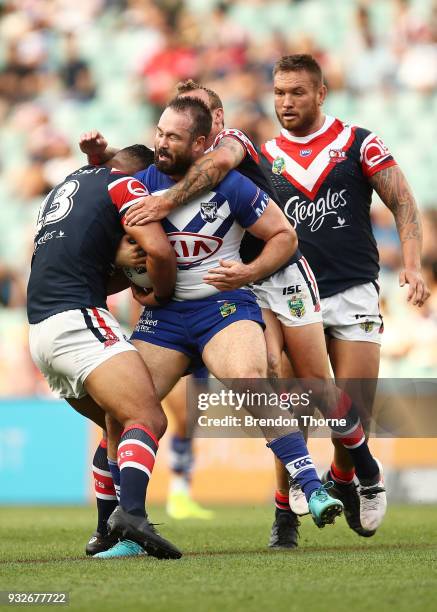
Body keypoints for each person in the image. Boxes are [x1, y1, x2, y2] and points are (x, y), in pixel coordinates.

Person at [114, 80, 389, 547]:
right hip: (224, 281)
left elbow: (218, 174)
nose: (166, 139)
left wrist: (167, 204)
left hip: (274, 269)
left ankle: (363, 469)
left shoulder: (232, 146)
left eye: (198, 117)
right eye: (165, 127)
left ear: (214, 124)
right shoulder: (156, 172)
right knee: (272, 376)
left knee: (315, 386)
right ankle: (286, 513)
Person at [257, 53, 429, 538]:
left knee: (354, 409)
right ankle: (283, 514)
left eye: (296, 92)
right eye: (279, 93)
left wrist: (412, 264)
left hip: (353, 289)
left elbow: (402, 199)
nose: (286, 102)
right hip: (291, 294)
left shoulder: (358, 142)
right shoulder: (262, 156)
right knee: (293, 405)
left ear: (320, 93)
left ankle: (345, 477)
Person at [27, 144, 182, 560]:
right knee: (147, 416)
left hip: (42, 333)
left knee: (118, 422)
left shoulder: (67, 187)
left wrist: (116, 262)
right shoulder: (124, 183)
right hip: (78, 319)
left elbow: (74, 261)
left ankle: (106, 533)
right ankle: (131, 515)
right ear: (139, 176)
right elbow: (161, 251)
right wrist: (158, 293)